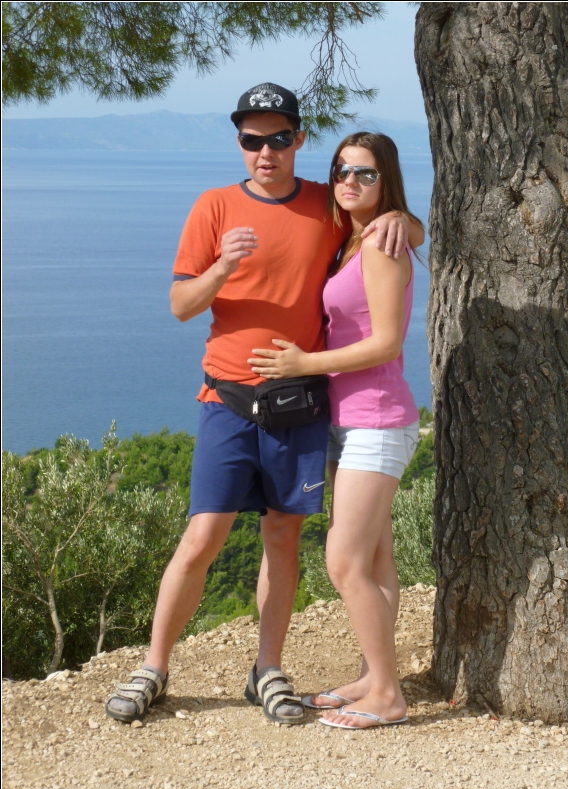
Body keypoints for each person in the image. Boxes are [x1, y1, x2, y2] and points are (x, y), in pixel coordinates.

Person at [105, 84, 423, 727]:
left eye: (279, 138)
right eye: (252, 140)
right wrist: (222, 267)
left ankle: (268, 669)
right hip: (227, 399)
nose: (266, 151)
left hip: (301, 405)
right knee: (203, 536)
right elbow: (181, 305)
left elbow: (381, 222)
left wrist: (408, 221)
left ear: (298, 140)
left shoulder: (324, 203)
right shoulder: (214, 206)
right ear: (240, 144)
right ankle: (153, 668)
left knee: (283, 536)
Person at [247, 132, 423, 729]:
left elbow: (386, 343)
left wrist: (303, 363)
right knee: (374, 559)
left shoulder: (379, 243)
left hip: (377, 418)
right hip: (348, 420)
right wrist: (406, 220)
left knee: (344, 562)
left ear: (386, 180)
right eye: (342, 170)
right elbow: (411, 229)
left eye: (365, 174)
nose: (349, 181)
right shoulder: (358, 236)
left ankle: (389, 697)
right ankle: (375, 677)